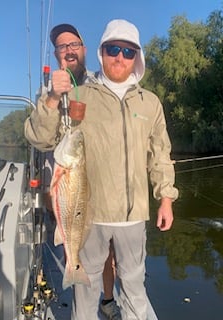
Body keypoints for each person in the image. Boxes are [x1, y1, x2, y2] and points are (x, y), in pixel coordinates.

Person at [25, 19, 179, 320]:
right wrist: (54, 97)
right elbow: (40, 138)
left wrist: (166, 198)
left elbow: (160, 154)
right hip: (87, 214)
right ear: (101, 52)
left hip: (133, 216)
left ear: (137, 57)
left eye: (127, 51)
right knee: (86, 288)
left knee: (134, 286)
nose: (119, 57)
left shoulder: (150, 102)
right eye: (112, 49)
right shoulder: (79, 93)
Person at [43, 23, 119, 319]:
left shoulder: (100, 87)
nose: (69, 50)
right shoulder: (48, 90)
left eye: (74, 44)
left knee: (109, 256)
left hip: (103, 190)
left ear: (84, 50)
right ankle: (84, 307)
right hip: (69, 190)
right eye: (62, 46)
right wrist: (52, 97)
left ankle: (109, 300)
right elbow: (37, 137)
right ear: (56, 53)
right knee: (79, 252)